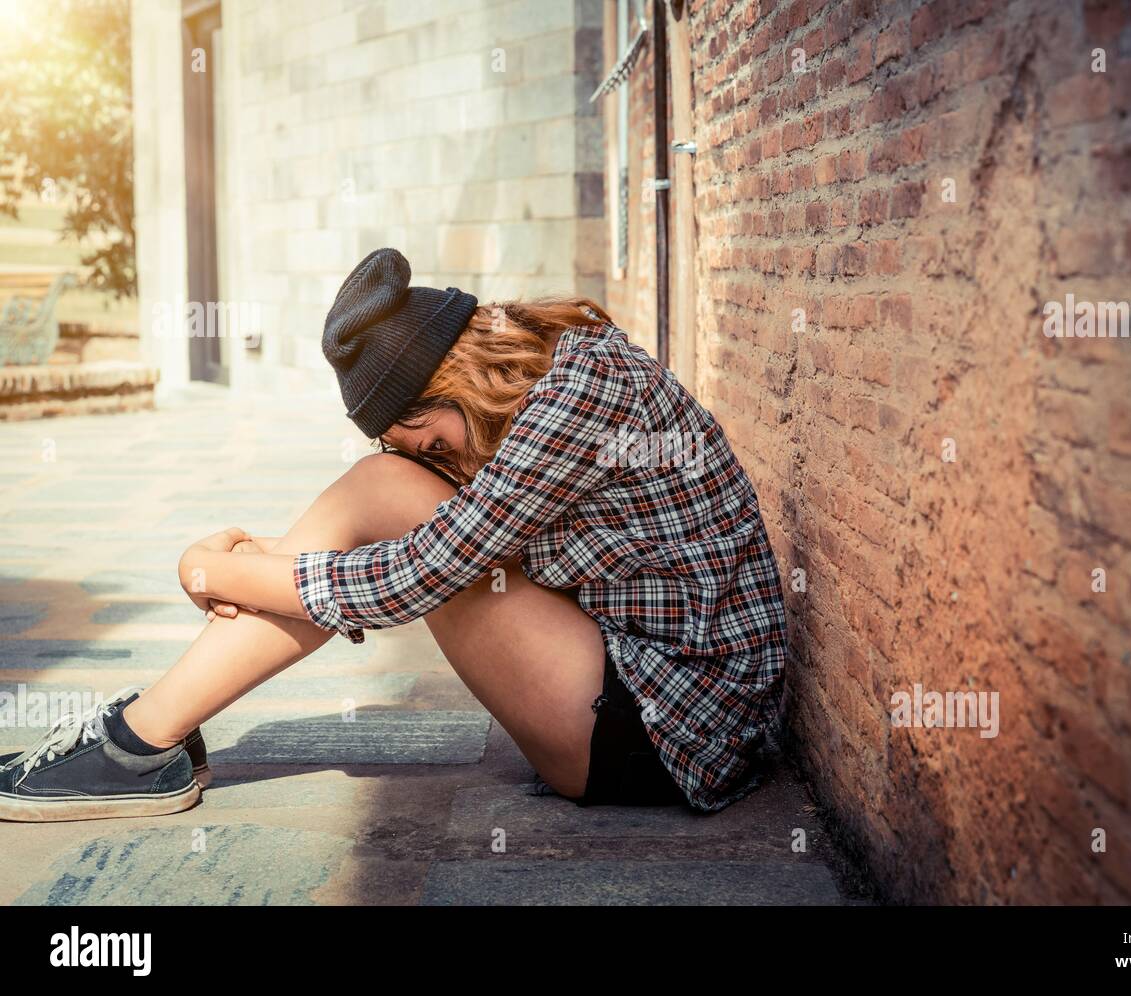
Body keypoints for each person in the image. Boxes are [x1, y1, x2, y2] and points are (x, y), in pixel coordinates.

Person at [0, 248, 788, 822]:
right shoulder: (551, 379)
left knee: (382, 498)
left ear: (460, 375)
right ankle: (152, 729)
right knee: (378, 493)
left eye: (437, 445)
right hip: (639, 690)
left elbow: (415, 578)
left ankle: (142, 738)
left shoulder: (580, 397)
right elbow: (416, 558)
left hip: (676, 732)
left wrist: (217, 572)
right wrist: (279, 569)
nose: (449, 465)